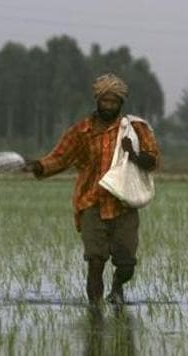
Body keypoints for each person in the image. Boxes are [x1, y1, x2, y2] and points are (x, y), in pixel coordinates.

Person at [23, 73, 160, 306]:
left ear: (121, 104)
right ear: (97, 101)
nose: (109, 106)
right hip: (91, 202)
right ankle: (94, 311)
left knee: (126, 263)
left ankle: (117, 287)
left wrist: (133, 154)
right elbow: (60, 158)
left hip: (123, 205)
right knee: (95, 261)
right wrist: (38, 166)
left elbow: (153, 161)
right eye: (105, 101)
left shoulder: (134, 129)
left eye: (114, 102)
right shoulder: (82, 131)